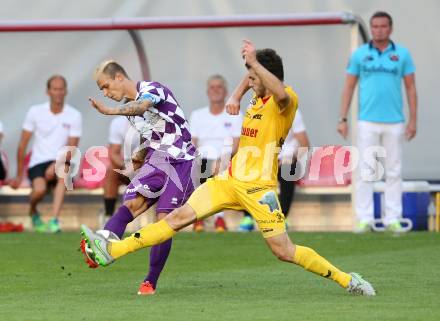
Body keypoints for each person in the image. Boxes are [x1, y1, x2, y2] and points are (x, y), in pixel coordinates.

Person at [81, 40, 376, 296]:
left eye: (253, 76)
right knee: (174, 220)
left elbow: (279, 91)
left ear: (267, 75)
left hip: (260, 190)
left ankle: (347, 279)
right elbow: (252, 80)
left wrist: (253, 65)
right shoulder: (257, 98)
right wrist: (237, 92)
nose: (249, 82)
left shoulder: (285, 101)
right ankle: (113, 250)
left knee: (284, 251)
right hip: (229, 181)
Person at [80, 60, 198, 296]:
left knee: (164, 222)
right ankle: (102, 246)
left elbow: (143, 106)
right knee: (131, 204)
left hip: (183, 160)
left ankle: (150, 282)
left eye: (105, 86)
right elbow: (156, 131)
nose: (105, 93)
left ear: (119, 78)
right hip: (157, 158)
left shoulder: (152, 89)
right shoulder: (130, 109)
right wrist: (140, 153)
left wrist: (109, 111)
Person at [337, 11, 418, 233]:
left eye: (383, 26)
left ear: (390, 29)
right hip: (367, 121)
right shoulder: (359, 55)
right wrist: (343, 118)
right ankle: (364, 219)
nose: (379, 30)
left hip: (395, 121)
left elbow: (411, 88)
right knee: (366, 170)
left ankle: (393, 218)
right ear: (371, 29)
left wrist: (413, 120)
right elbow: (349, 86)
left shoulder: (402, 55)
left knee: (393, 170)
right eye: (375, 26)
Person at [10, 75, 82, 233]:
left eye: (61, 89)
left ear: (66, 91)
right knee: (39, 191)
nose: (58, 92)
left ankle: (54, 220)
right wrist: (18, 175)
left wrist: (55, 164)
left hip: (61, 161)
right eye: (55, 89)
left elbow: (72, 148)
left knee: (64, 171)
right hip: (38, 162)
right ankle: (33, 210)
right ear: (48, 92)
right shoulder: (35, 112)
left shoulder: (74, 115)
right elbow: (22, 144)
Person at [239, 108, 310, 231]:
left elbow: (304, 144)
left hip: (286, 159)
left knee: (288, 170)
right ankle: (248, 218)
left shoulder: (292, 112)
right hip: (262, 159)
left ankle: (281, 217)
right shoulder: (256, 111)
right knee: (243, 171)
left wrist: (292, 157)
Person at [189, 74, 243, 232]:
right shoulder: (197, 115)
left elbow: (237, 143)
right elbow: (193, 143)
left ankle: (216, 218)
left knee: (220, 168)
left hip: (226, 159)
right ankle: (202, 217)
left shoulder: (235, 114)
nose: (215, 90)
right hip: (203, 158)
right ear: (207, 91)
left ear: (226, 91)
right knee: (198, 166)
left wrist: (223, 158)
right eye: (212, 87)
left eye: (219, 87)